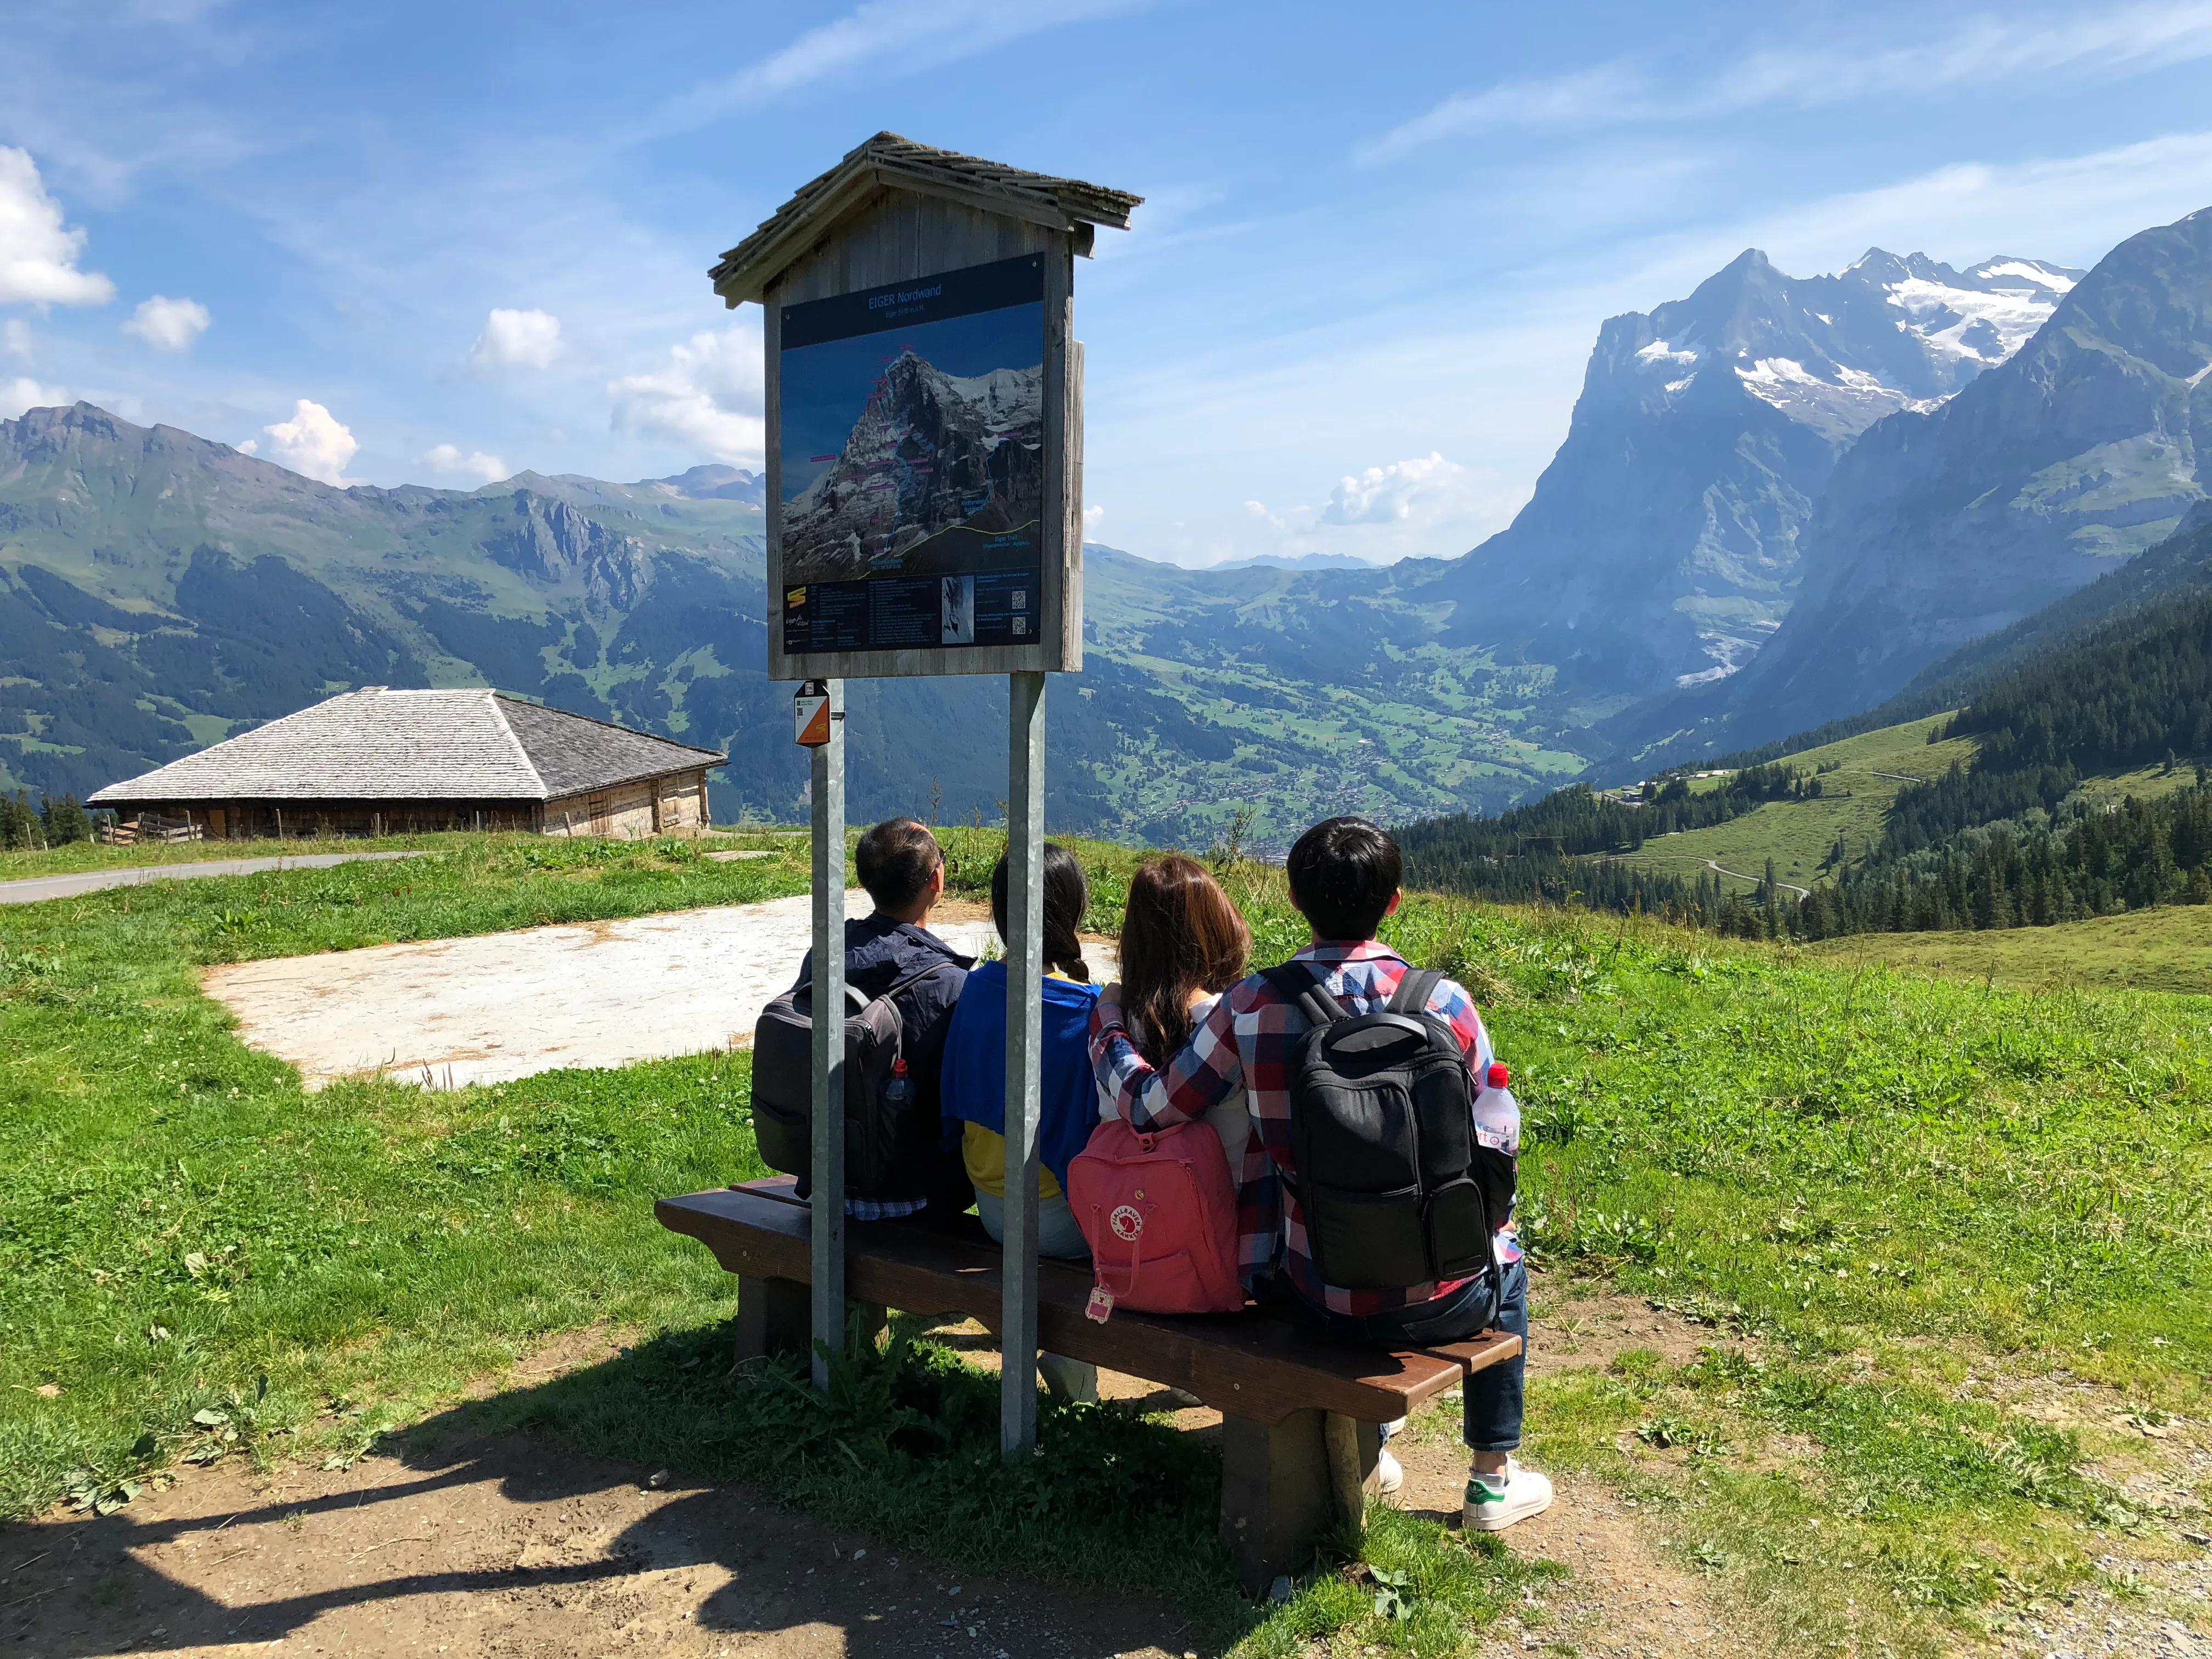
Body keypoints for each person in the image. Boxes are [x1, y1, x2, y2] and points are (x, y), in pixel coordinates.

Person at [1088, 816, 1549, 1531]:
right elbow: (1496, 1142)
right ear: (1394, 901)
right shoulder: (1445, 1002)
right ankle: (1491, 1478)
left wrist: (1110, 1031)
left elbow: (1151, 1108)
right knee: (1508, 1256)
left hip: (1311, 1292)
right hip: (1441, 1297)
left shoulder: (1252, 1006)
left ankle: (1375, 1441)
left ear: (1295, 900)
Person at [939, 841, 1101, 1400]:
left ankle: (1074, 1359)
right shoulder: (1089, 1008)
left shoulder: (977, 988)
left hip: (991, 1209)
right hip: (1062, 1221)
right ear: (1075, 910)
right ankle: (1075, 1355)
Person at [789, 817, 972, 1222]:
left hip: (828, 1182)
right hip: (918, 1197)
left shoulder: (825, 954)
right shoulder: (950, 984)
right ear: (936, 882)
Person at [1114, 854, 1254, 1170]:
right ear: (1220, 931)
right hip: (1224, 1196)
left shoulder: (1116, 1024)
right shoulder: (1228, 1022)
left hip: (1125, 1194)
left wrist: (1107, 1017)